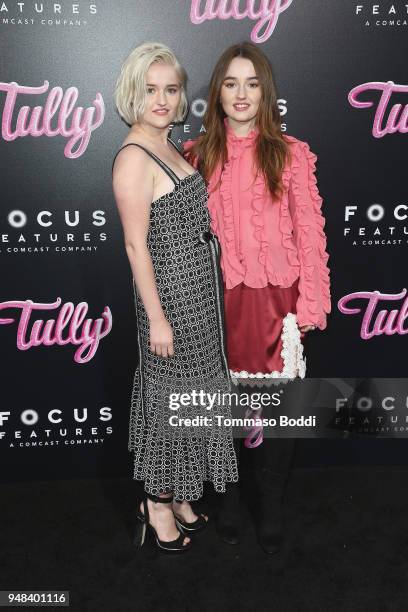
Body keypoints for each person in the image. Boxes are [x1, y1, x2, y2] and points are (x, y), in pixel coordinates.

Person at [184, 41, 331, 554]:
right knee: (220, 406)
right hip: (217, 301)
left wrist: (312, 300)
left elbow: (310, 231)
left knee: (284, 410)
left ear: (265, 92)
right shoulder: (196, 156)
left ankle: (269, 503)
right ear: (217, 93)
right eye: (231, 83)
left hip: (279, 299)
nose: (241, 94)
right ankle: (225, 500)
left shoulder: (291, 153)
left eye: (251, 83)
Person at [112, 42, 238, 554]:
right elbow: (134, 245)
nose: (162, 100)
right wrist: (157, 319)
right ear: (132, 94)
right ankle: (157, 504)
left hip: (200, 298)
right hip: (170, 302)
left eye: (170, 89)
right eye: (150, 90)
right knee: (170, 407)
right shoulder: (133, 158)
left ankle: (183, 494)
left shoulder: (169, 144)